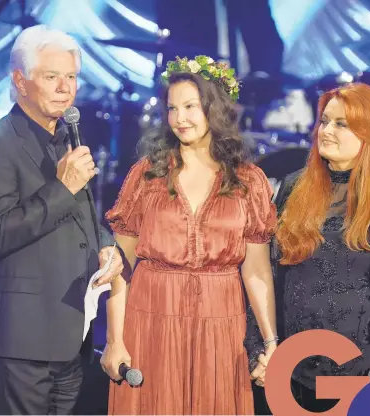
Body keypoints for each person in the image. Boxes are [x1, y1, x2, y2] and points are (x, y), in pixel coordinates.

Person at [245, 82, 370, 412]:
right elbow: (267, 272)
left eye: (342, 124)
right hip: (294, 376)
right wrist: (261, 347)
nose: (327, 130)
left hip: (369, 379)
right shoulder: (296, 186)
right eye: (325, 121)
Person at [102, 55, 278, 415]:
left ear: (215, 109)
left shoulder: (248, 181)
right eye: (172, 108)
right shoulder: (147, 175)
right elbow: (120, 268)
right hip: (151, 319)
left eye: (190, 106)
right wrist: (114, 340)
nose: (179, 118)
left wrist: (271, 341)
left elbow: (257, 271)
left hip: (220, 324)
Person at [0, 25, 124, 415]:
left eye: (71, 77)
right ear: (20, 81)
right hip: (20, 343)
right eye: (52, 77)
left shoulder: (68, 137)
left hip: (70, 335)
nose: (64, 88)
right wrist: (62, 187)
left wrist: (107, 244)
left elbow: (81, 215)